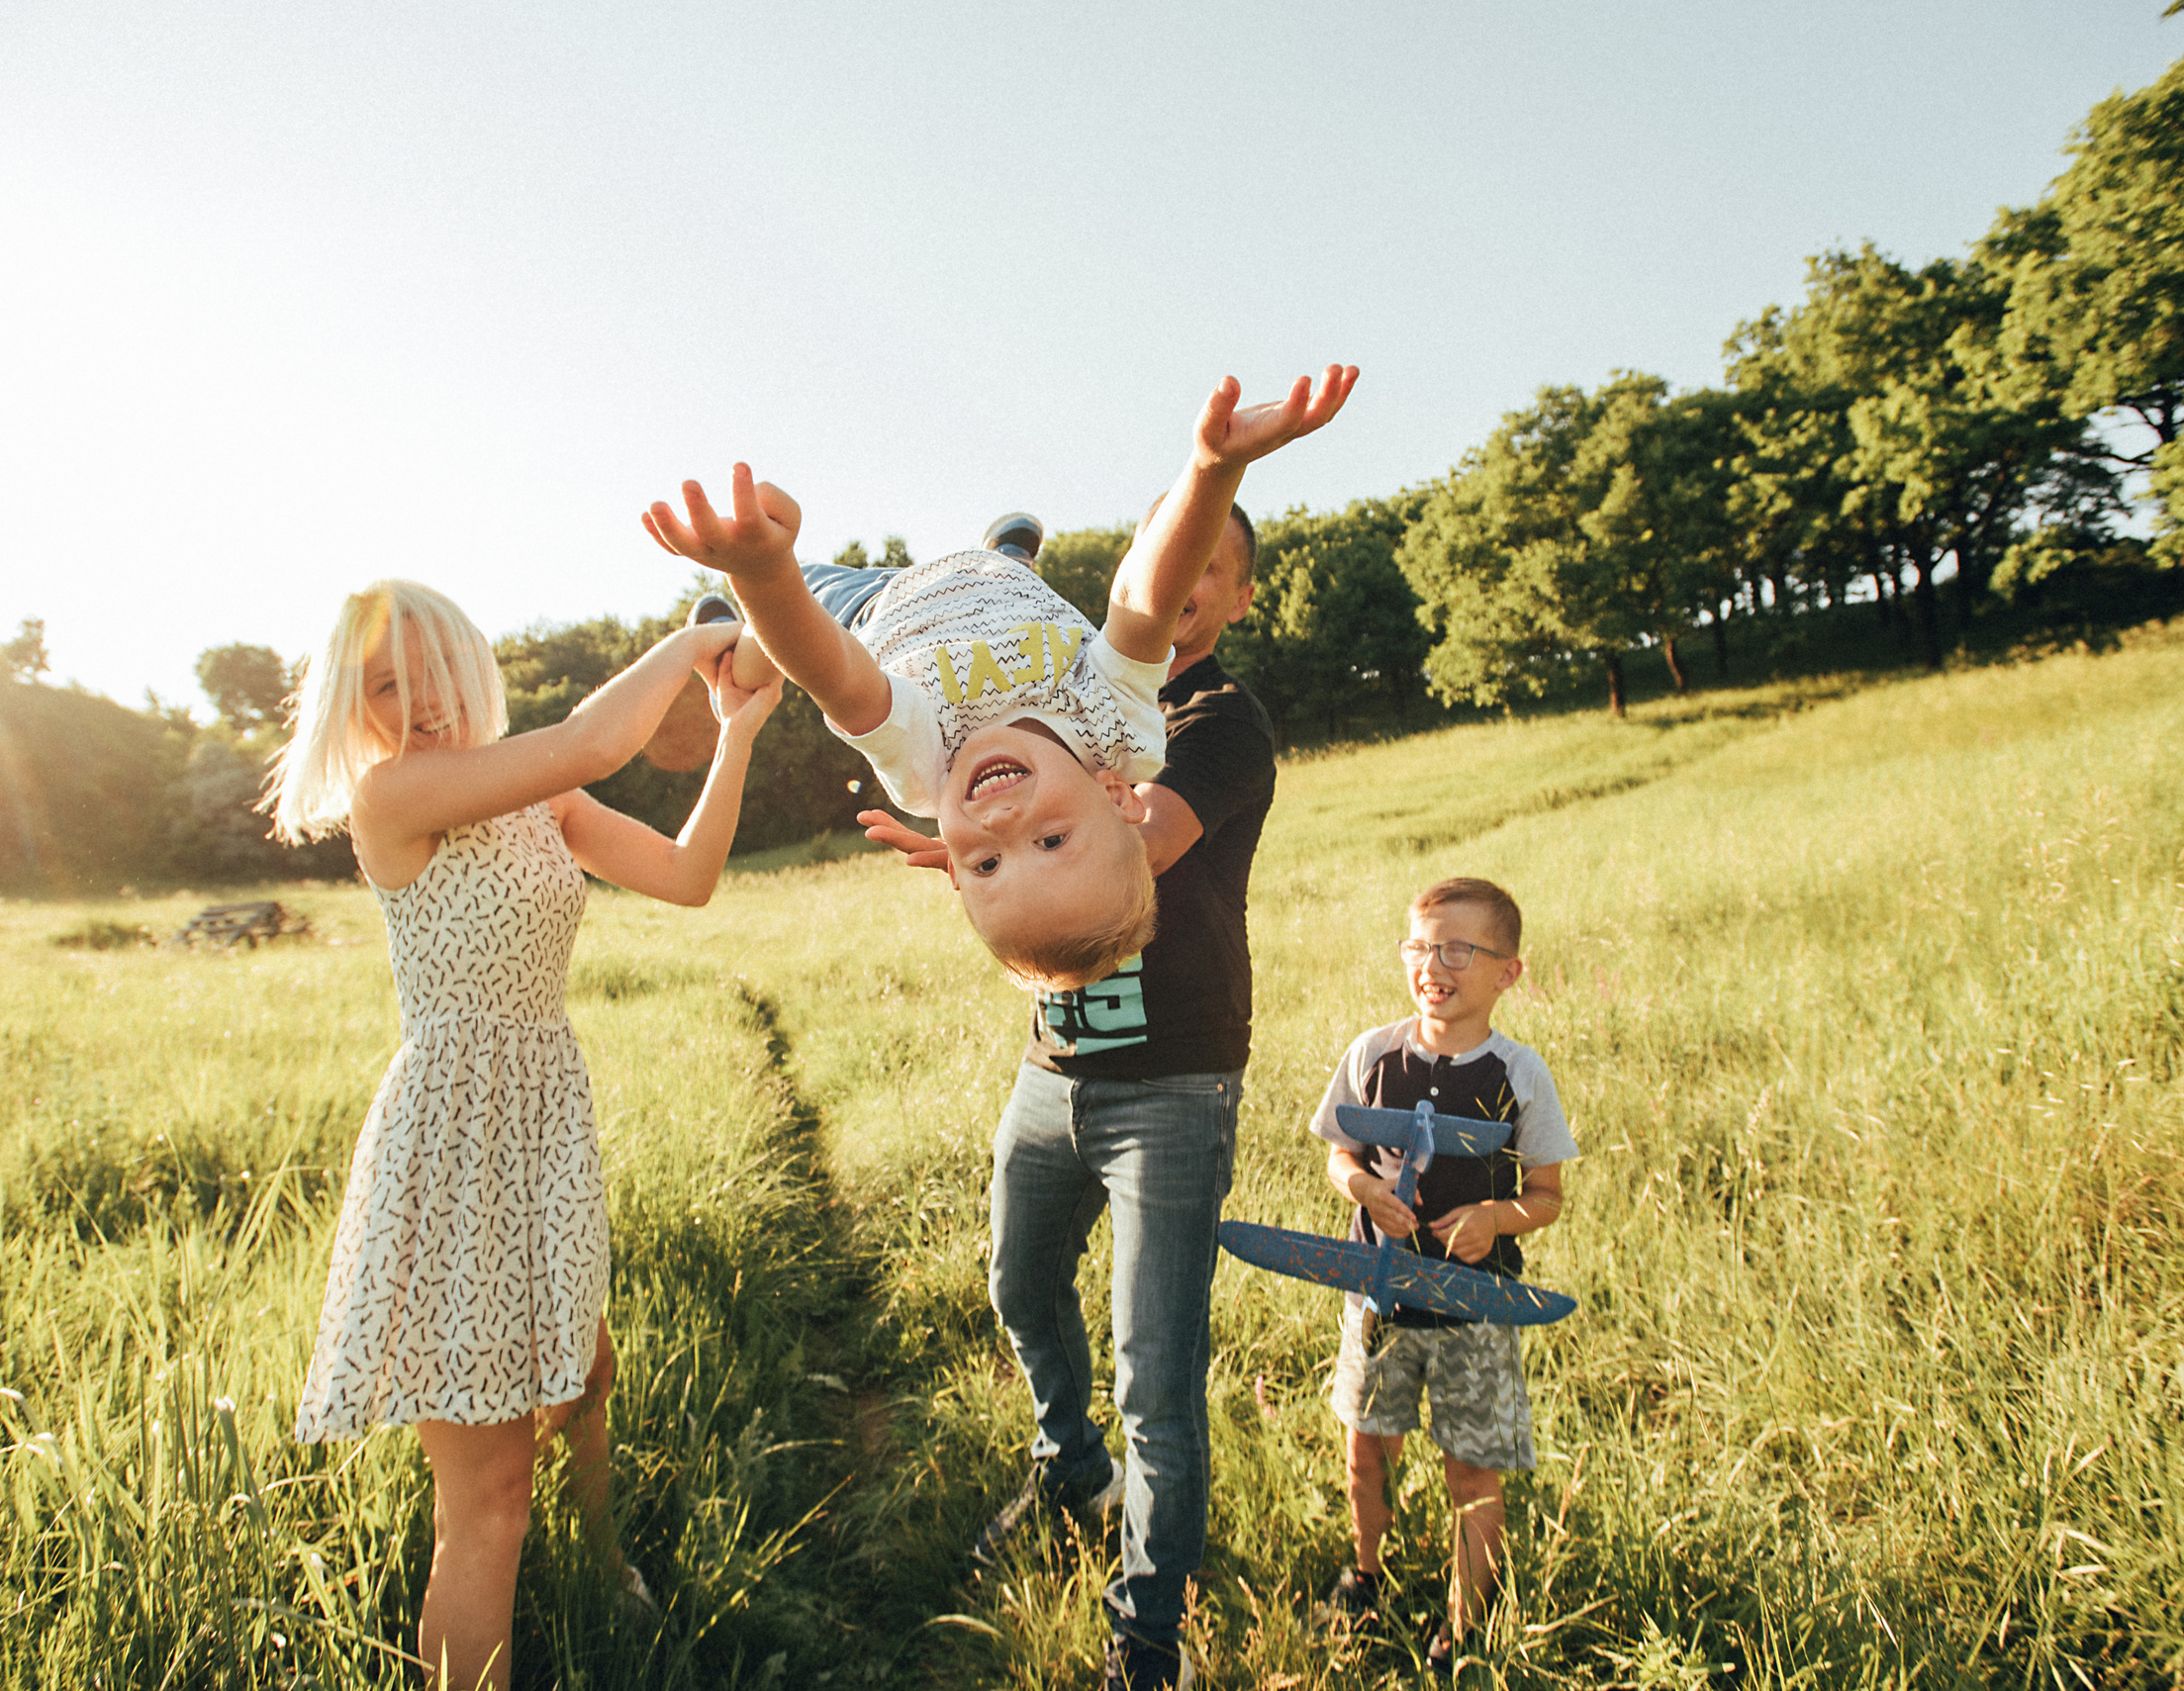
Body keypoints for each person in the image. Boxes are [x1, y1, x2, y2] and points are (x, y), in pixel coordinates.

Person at [266, 580, 780, 1691]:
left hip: (541, 1124)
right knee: (489, 1497)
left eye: (427, 670)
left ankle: (599, 1567)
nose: (413, 703)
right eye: (381, 686)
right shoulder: (396, 794)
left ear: (470, 663)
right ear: (352, 712)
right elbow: (597, 735)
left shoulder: (537, 803)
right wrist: (700, 636)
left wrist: (735, 732)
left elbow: (687, 878)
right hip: (452, 1144)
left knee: (583, 1370)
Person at [858, 472, 1315, 1689]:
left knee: (1154, 1370)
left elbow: (1133, 839)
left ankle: (1146, 1631)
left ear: (1232, 592)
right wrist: (963, 837)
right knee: (1017, 1282)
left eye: (1210, 562)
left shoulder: (1218, 718)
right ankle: (1070, 1471)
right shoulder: (1060, 701)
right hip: (1054, 1061)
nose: (1187, 578)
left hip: (1174, 1075)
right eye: (1174, 551)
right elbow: (1010, 823)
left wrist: (986, 831)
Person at [637, 367, 1355, 993]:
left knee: (773, 643)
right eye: (1050, 842)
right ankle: (1007, 552)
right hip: (995, 587)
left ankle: (728, 639)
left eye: (981, 863)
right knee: (1013, 581)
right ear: (1114, 793)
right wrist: (1209, 469)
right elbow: (1145, 601)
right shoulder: (1119, 726)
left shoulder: (928, 765)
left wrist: (763, 571)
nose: (1003, 826)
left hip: (869, 607)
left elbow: (836, 673)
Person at [1307, 877, 1576, 1673]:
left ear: (1507, 972)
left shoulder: (1518, 1075)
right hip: (1379, 1298)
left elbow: (1548, 1196)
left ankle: (1464, 1621)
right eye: (1420, 946)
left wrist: (1496, 1218)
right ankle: (1364, 1574)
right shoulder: (1373, 1053)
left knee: (1471, 1467)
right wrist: (1363, 1189)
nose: (1435, 964)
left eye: (1460, 948)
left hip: (1474, 1308)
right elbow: (1339, 1152)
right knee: (1366, 1448)